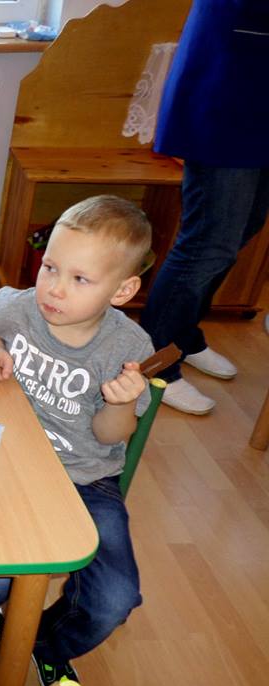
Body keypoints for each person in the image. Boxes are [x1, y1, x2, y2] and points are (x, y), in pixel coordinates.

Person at [0, 195, 154, 686]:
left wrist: (122, 403)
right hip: (10, 460)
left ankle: (40, 645)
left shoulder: (128, 348)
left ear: (123, 290)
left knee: (114, 599)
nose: (55, 289)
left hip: (86, 479)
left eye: (80, 279)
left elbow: (111, 434)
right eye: (50, 268)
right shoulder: (23, 307)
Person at [139, 0, 269, 415]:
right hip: (229, 82)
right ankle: (155, 363)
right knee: (208, 243)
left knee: (244, 226)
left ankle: (183, 338)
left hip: (258, 84)